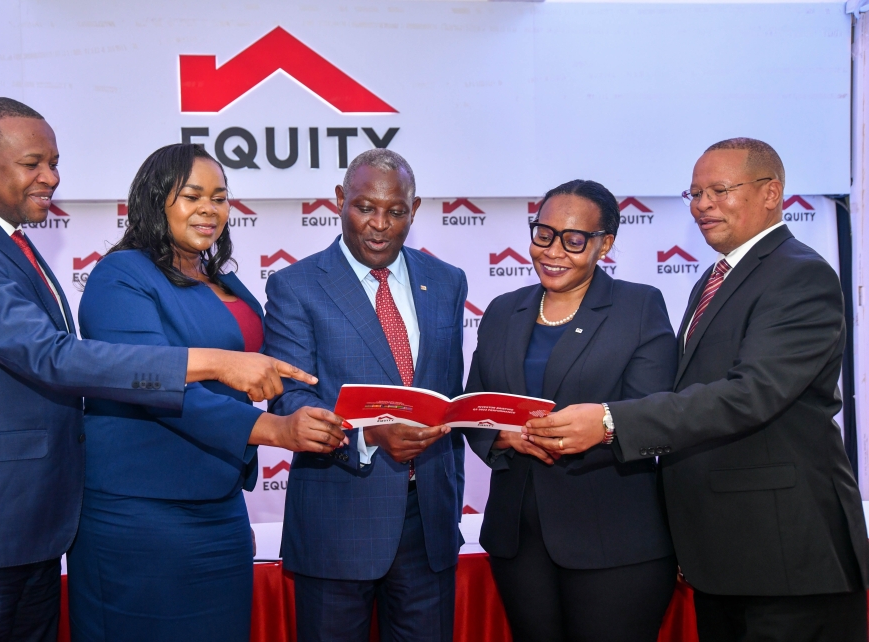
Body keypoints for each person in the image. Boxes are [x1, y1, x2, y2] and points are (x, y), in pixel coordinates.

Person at [0, 98, 317, 642]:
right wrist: (216, 364)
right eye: (33, 162)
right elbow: (52, 357)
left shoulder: (7, 241)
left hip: (26, 526)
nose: (51, 177)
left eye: (54, 162)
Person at [526, 138, 869, 642]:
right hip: (724, 555)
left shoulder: (801, 275)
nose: (702, 204)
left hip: (786, 557)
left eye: (718, 190)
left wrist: (609, 421)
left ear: (771, 192)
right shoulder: (716, 277)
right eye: (694, 193)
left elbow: (750, 394)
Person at [67, 144, 346, 641]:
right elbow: (148, 385)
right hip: (141, 514)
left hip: (219, 505)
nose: (210, 209)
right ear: (156, 202)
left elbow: (266, 369)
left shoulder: (223, 279)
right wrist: (274, 429)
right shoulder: (120, 276)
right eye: (192, 195)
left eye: (219, 197)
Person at [263, 149, 468, 642]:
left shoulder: (446, 282)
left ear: (414, 211)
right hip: (338, 525)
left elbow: (451, 391)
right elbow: (289, 402)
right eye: (364, 208)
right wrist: (370, 436)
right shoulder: (296, 287)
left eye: (395, 211)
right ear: (339, 201)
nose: (379, 224)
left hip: (430, 526)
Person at [464, 179, 678, 641]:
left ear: (605, 245)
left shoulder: (638, 306)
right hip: (518, 538)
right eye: (544, 233)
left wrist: (593, 428)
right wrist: (501, 436)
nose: (553, 250)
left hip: (614, 538)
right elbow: (475, 404)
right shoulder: (503, 310)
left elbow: (653, 412)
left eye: (574, 240)